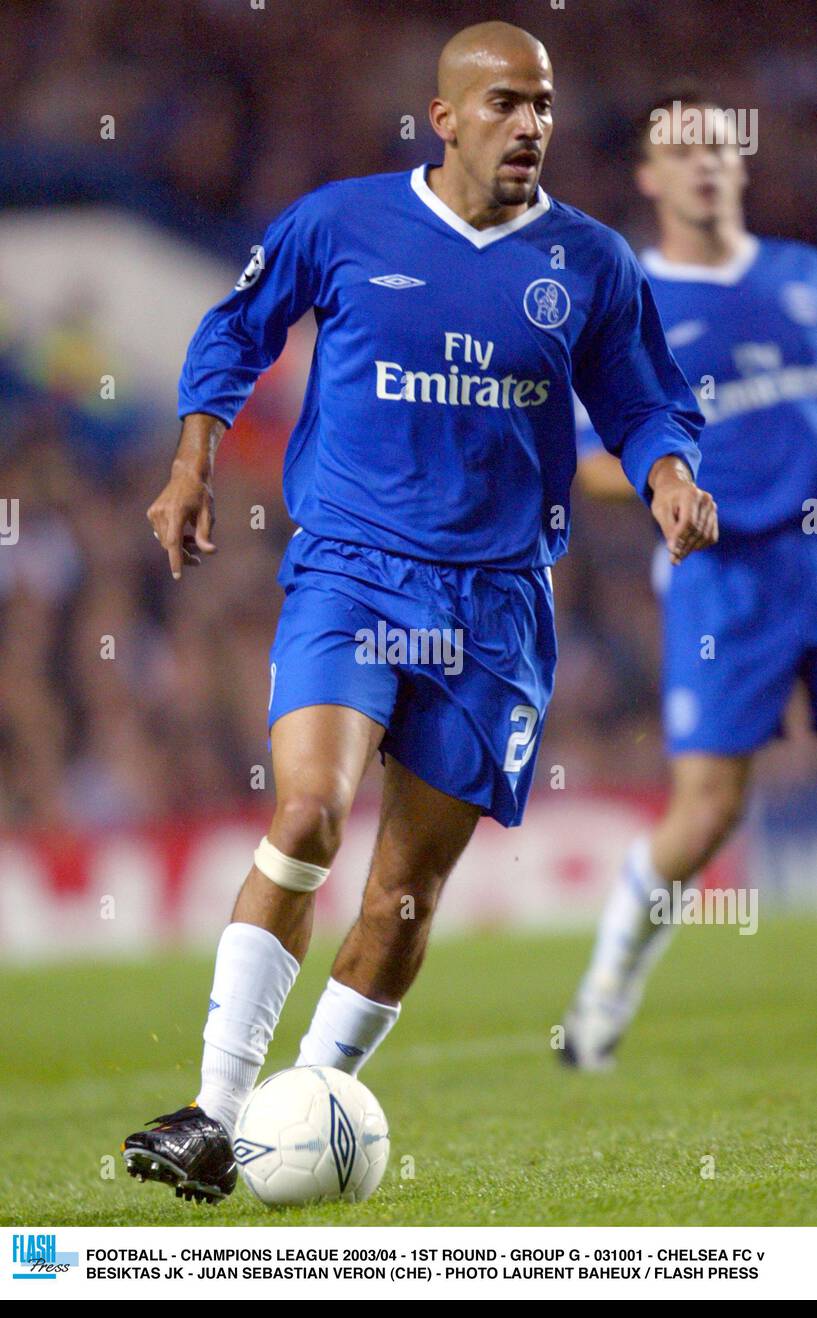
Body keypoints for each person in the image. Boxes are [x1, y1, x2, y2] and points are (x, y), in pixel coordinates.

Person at [122, 26, 713, 1203]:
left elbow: (647, 402)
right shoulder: (339, 224)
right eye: (505, 103)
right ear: (443, 118)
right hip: (351, 570)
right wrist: (191, 464)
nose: (531, 125)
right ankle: (215, 1109)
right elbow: (234, 331)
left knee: (402, 896)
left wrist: (667, 478)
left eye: (543, 104)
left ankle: (305, 1108)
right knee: (304, 812)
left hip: (497, 606)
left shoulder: (588, 262)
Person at [563, 90, 817, 1069]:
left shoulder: (803, 276)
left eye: (717, 147)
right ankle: (606, 986)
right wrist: (667, 488)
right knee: (708, 808)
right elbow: (585, 458)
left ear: (740, 164)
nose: (704, 163)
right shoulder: (630, 310)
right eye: (682, 151)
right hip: (726, 581)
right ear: (650, 178)